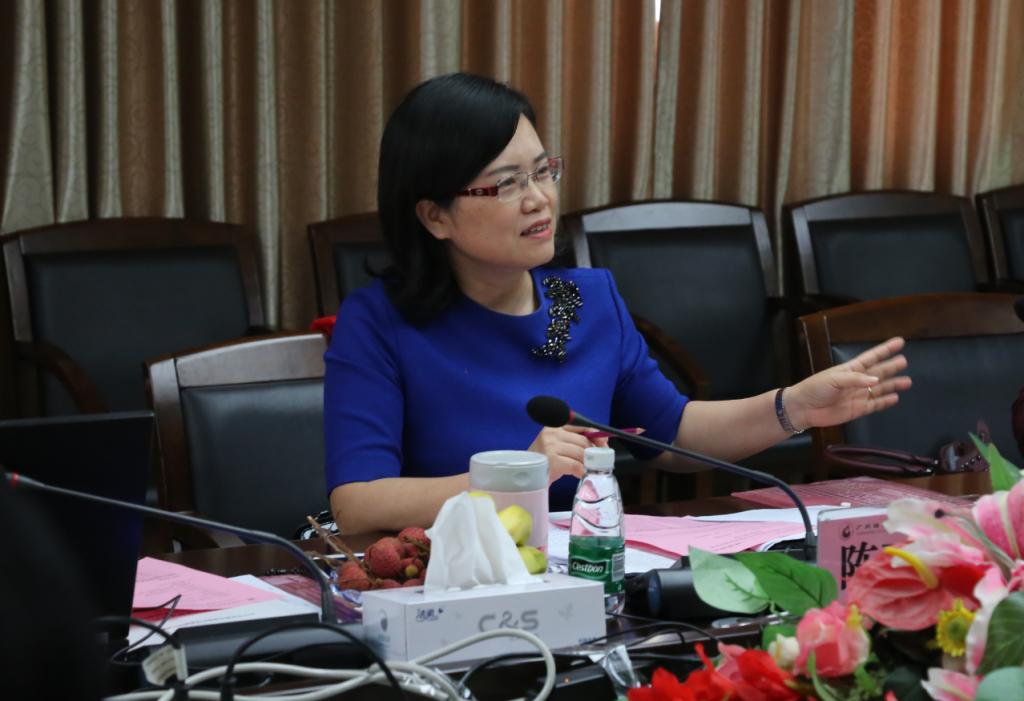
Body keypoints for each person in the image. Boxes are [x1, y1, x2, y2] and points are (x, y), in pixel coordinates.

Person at [324, 72, 911, 534]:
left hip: (582, 568)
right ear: (435, 216)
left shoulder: (586, 301)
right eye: (506, 183)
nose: (538, 199)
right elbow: (356, 503)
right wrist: (511, 478)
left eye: (542, 172)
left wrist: (793, 406)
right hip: (451, 582)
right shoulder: (380, 322)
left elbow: (671, 436)